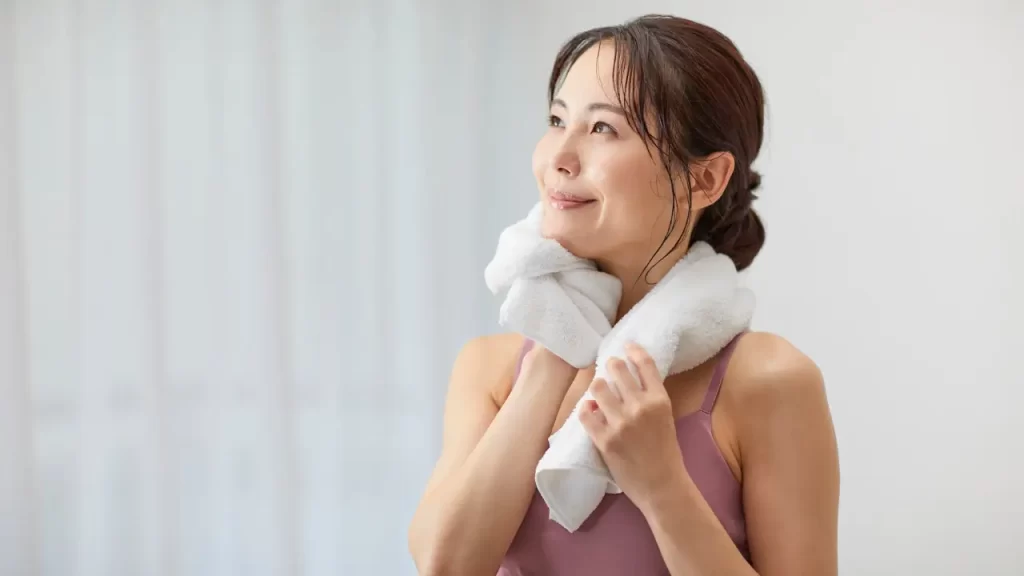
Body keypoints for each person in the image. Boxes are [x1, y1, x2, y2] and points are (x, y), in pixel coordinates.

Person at [408, 14, 839, 576]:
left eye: (602, 129)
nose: (559, 156)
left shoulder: (770, 382)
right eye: (557, 120)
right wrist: (553, 357)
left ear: (705, 180)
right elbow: (445, 566)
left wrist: (661, 485)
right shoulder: (489, 370)